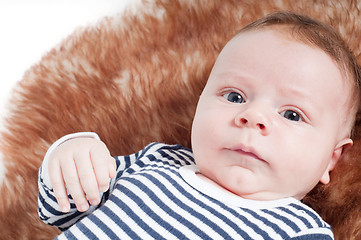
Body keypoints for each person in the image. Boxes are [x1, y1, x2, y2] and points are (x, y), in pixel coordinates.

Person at [38, 11, 361, 239]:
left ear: (331, 158)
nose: (253, 116)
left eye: (292, 114)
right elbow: (57, 209)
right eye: (234, 96)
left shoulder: (298, 230)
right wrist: (72, 151)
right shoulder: (155, 161)